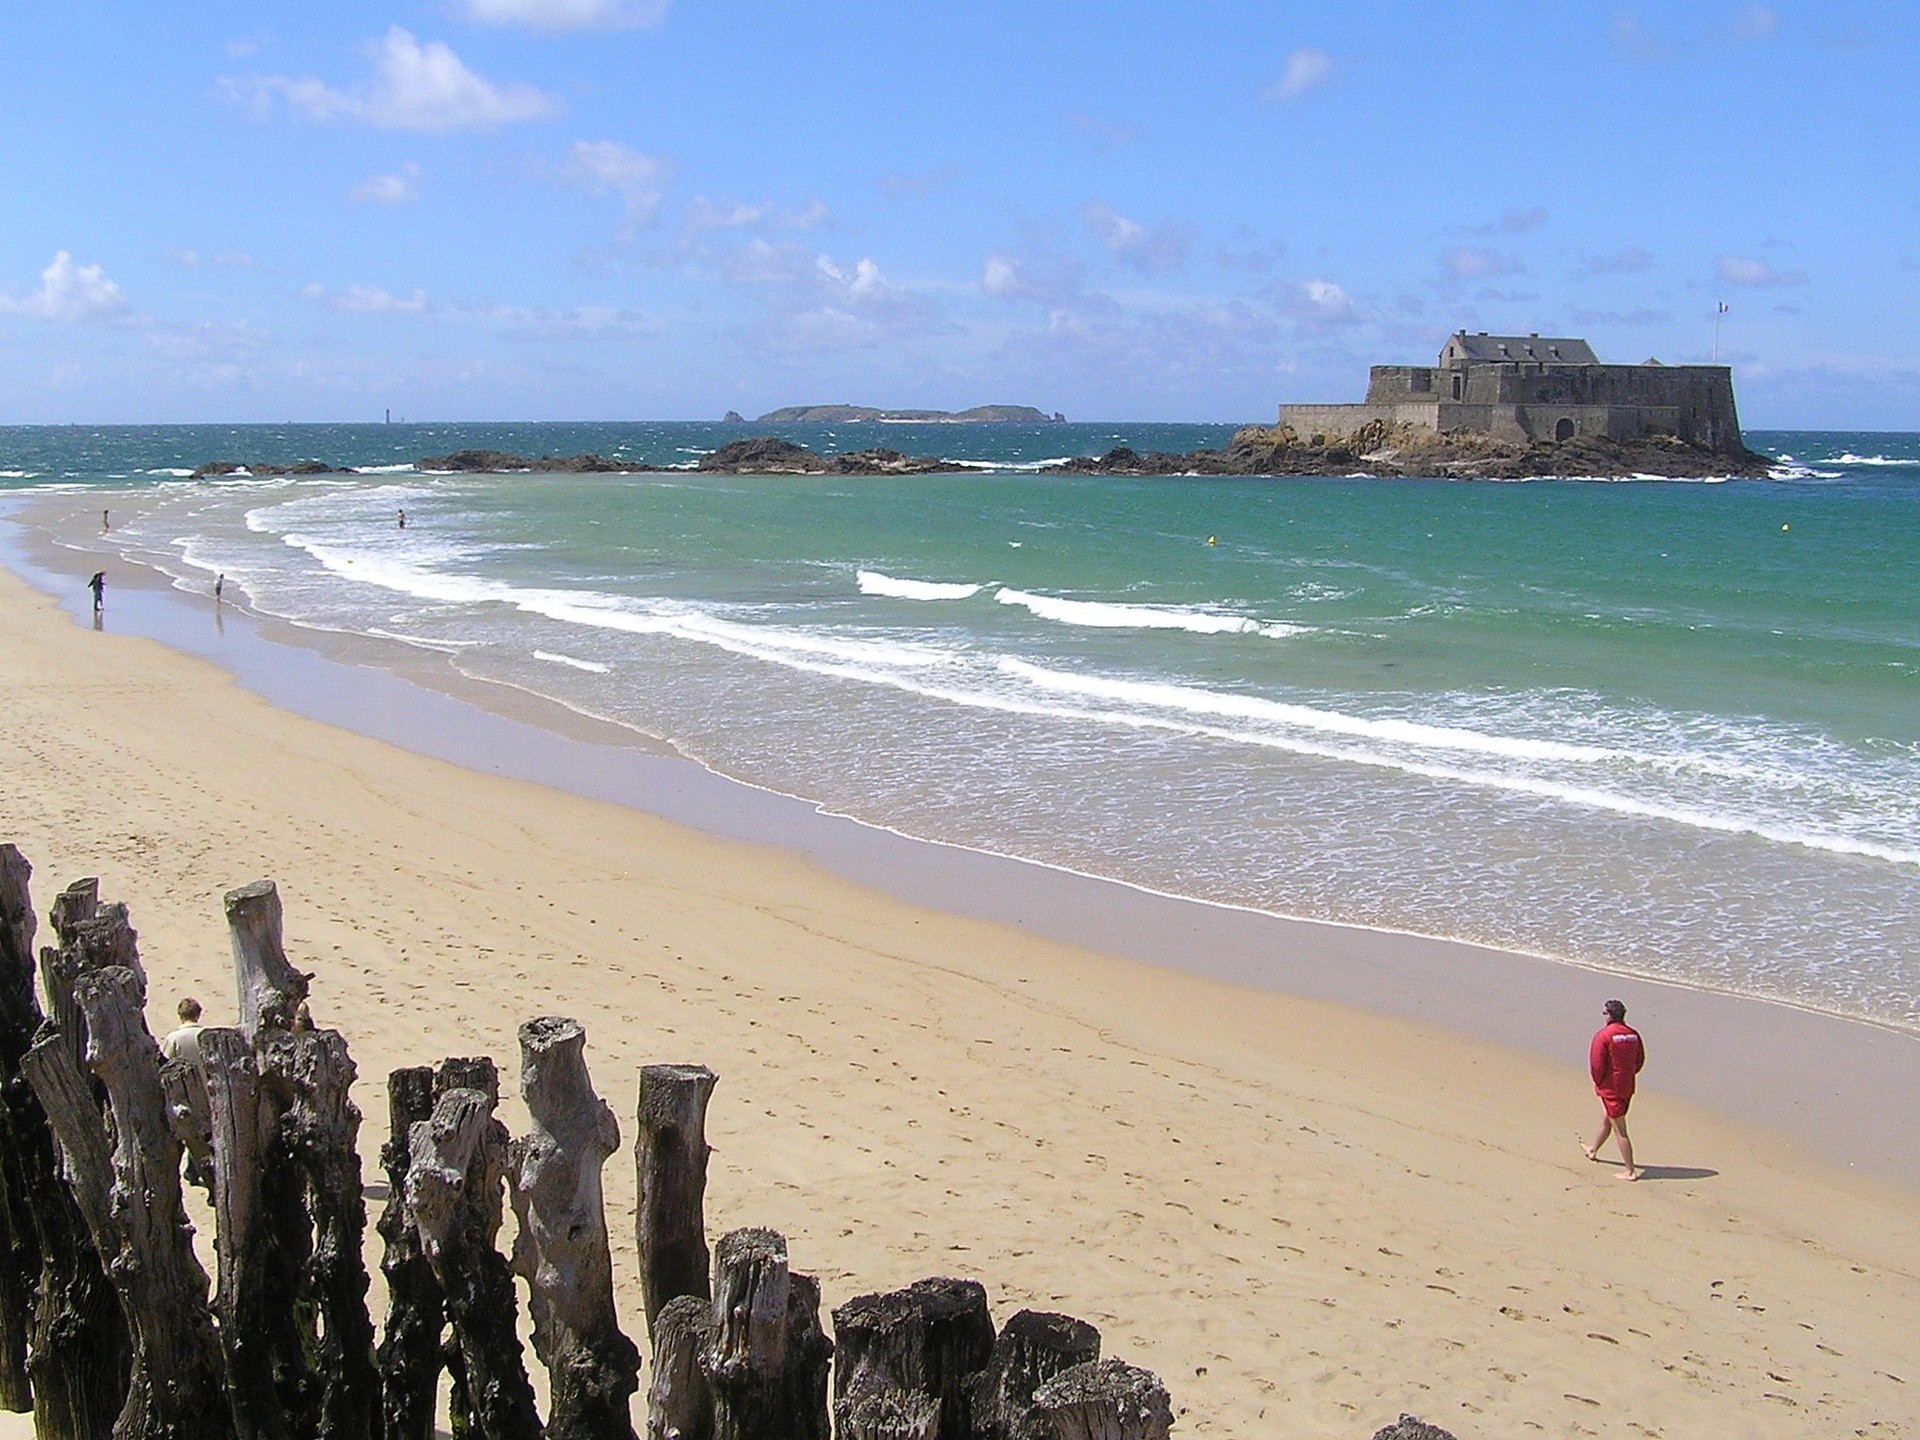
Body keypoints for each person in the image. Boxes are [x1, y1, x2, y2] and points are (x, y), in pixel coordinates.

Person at [1582, 998, 1646, 1180]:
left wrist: (1599, 1082)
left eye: (1604, 1013)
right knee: (1607, 1118)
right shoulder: (1633, 1034)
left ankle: (1630, 1171)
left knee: (1620, 1130)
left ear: (1609, 1016)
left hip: (1611, 1089)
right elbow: (1639, 1060)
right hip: (1627, 1086)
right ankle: (1593, 1149)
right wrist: (1628, 1075)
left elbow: (1596, 1064)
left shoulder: (1603, 1035)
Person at [163, 997, 214, 1190]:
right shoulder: (206, 1035)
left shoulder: (174, 1038)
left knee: (188, 1129)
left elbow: (166, 1064)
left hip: (182, 1092)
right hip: (207, 1090)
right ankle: (194, 1170)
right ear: (198, 1014)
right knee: (204, 1131)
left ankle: (193, 1170)